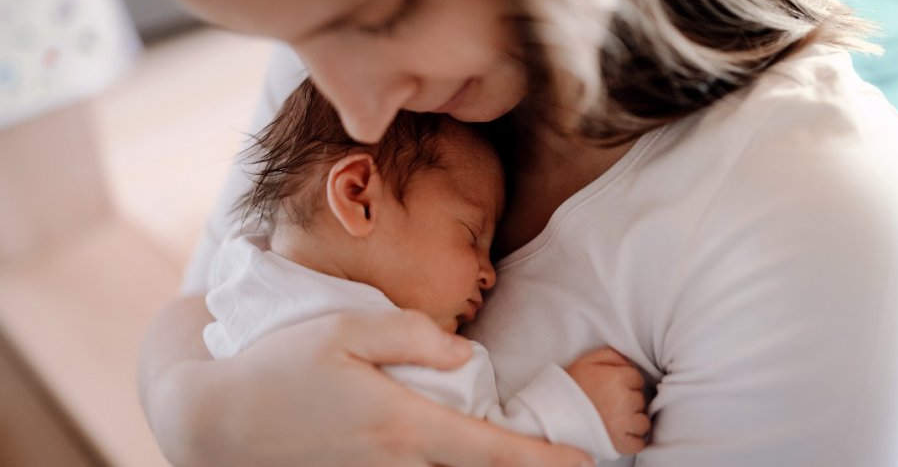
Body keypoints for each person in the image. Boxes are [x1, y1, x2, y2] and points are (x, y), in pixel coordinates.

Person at [96, 0, 898, 466]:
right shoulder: (347, 64)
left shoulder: (810, 210)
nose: (358, 108)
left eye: (381, 18)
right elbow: (207, 303)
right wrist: (191, 413)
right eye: (290, 38)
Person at [202, 79, 649, 462]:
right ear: (358, 196)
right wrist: (570, 412)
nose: (488, 275)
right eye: (472, 235)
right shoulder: (389, 347)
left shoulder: (244, 282)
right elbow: (469, 453)